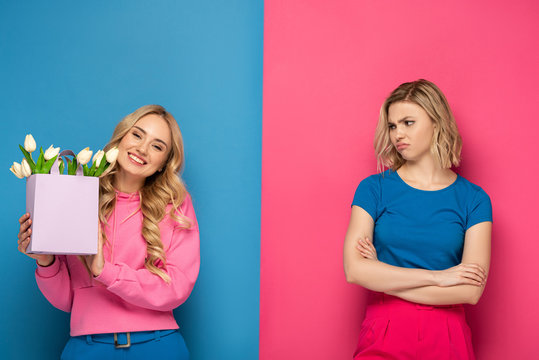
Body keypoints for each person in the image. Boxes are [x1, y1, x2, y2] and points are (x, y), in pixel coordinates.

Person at [17, 105, 199, 359]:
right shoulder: (78, 194)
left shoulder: (175, 205)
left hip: (158, 346)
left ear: (163, 164)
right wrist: (46, 261)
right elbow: (68, 301)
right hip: (86, 347)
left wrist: (106, 272)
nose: (142, 149)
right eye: (137, 135)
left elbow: (177, 288)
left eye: (157, 146)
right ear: (121, 137)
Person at [344, 80, 492, 359]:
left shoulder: (474, 199)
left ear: (436, 123)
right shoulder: (373, 189)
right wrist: (440, 277)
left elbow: (470, 291)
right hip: (382, 334)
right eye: (392, 125)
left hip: (448, 339)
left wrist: (382, 275)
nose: (398, 134)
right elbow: (355, 270)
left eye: (408, 122)